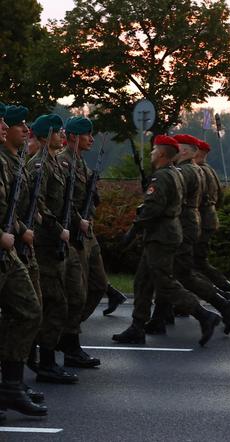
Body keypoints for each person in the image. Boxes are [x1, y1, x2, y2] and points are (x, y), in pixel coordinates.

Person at [112, 135, 222, 346]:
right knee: (143, 281)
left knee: (164, 282)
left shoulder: (162, 177)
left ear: (162, 154)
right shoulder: (173, 173)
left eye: (154, 150)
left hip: (161, 235)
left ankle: (204, 315)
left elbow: (152, 209)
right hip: (166, 233)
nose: (151, 153)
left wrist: (133, 231)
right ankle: (137, 326)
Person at [144, 134, 230, 336]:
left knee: (181, 274)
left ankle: (222, 304)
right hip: (192, 222)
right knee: (173, 272)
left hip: (183, 224)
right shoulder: (198, 169)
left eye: (179, 148)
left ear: (185, 151)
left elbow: (173, 199)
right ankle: (160, 317)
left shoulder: (185, 171)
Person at [0, 103, 48, 418]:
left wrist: (17, 229)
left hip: (6, 252)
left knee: (29, 310)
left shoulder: (9, 162)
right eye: (2, 124)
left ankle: (11, 386)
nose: (5, 127)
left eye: (7, 124)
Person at [27, 114, 79, 384]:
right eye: (57, 132)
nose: (61, 135)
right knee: (55, 302)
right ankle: (44, 362)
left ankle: (41, 357)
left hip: (55, 242)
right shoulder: (39, 166)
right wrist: (59, 230)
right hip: (45, 244)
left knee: (56, 301)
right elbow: (39, 206)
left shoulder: (53, 164)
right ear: (45, 136)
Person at [57, 116, 103, 368]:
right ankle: (69, 342)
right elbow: (64, 201)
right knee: (76, 292)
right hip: (74, 234)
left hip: (87, 233)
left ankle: (67, 332)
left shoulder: (80, 163)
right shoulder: (64, 162)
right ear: (73, 136)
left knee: (98, 285)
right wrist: (77, 221)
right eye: (87, 134)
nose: (91, 139)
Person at [192, 139, 230, 309]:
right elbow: (221, 198)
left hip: (201, 220)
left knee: (196, 263)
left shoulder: (200, 170)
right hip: (208, 218)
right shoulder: (210, 170)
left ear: (199, 153)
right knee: (198, 262)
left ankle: (228, 293)